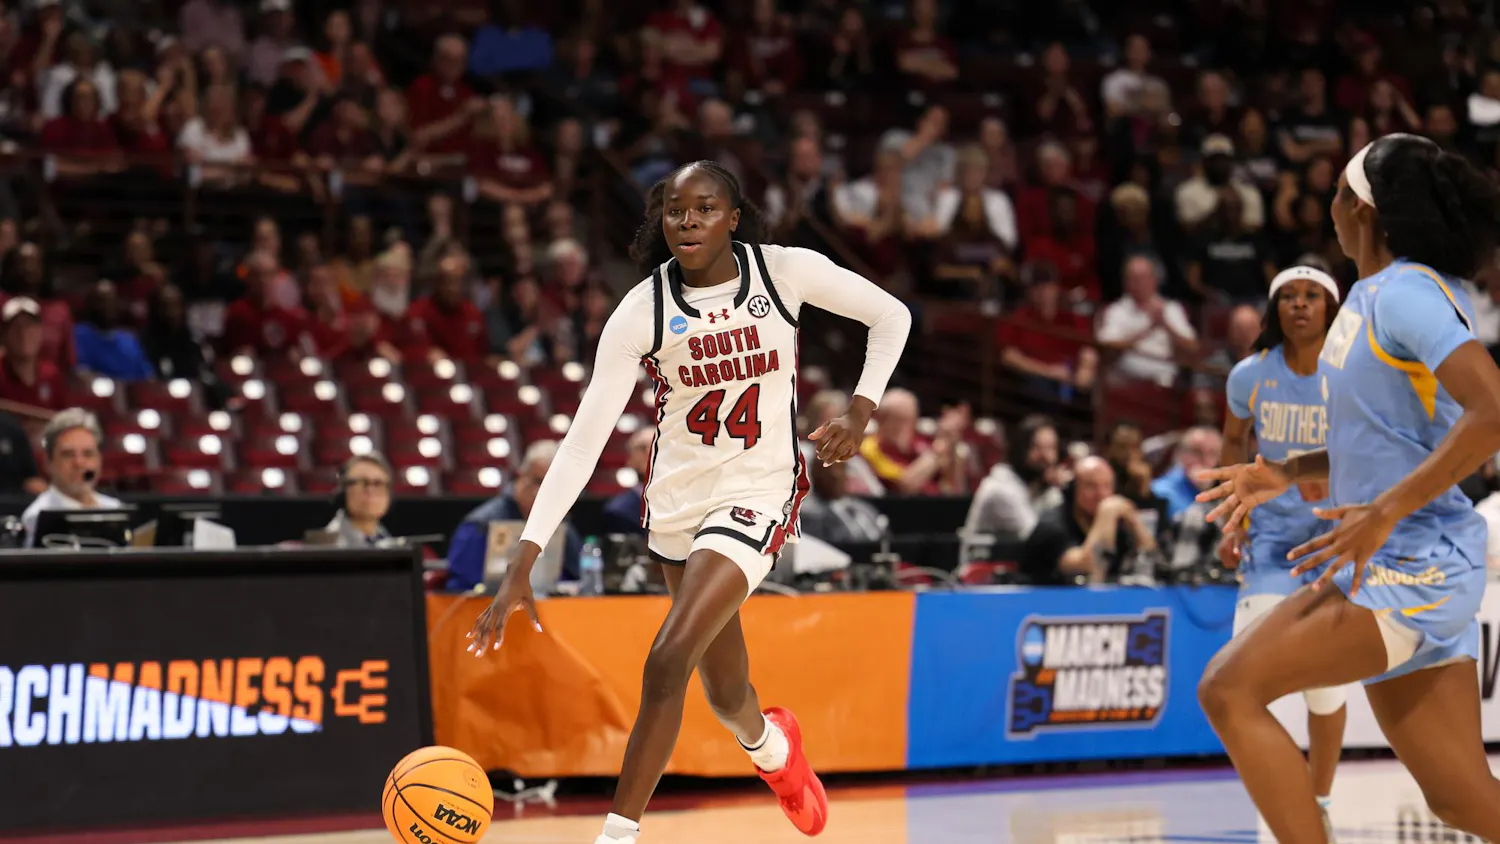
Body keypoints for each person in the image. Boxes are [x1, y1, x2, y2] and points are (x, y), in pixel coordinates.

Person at [467, 160, 912, 844]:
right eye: (676, 210)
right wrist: (525, 556)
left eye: (705, 209)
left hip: (758, 491)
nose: (689, 221)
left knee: (667, 658)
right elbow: (581, 444)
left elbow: (891, 315)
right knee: (726, 694)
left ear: (732, 218)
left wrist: (860, 410)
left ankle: (617, 836)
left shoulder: (783, 272)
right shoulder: (641, 309)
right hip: (676, 504)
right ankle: (774, 751)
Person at [1197, 134, 1500, 844]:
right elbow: (1380, 441)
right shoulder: (1371, 298)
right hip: (1404, 557)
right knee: (1462, 800)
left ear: (1363, 209)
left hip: (1413, 563)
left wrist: (1385, 512)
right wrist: (1286, 471)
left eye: (1337, 191)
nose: (1328, 206)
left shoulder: (1406, 294)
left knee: (1229, 690)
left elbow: (1493, 411)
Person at [1214, 264, 1345, 833]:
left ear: (1330, 308)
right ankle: (1281, 788)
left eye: (1311, 295)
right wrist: (1231, 522)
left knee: (1326, 688)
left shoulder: (1351, 373)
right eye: (1288, 296)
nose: (1299, 305)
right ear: (1274, 310)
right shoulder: (1251, 374)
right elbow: (1231, 442)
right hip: (1270, 541)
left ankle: (1319, 801)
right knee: (1240, 676)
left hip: (1336, 537)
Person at [22, 408, 124, 547]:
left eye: (88, 454)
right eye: (68, 454)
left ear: (99, 460)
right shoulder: (36, 517)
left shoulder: (115, 509)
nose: (79, 463)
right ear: (48, 462)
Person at [321, 453, 395, 547]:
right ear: (343, 491)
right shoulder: (326, 545)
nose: (370, 490)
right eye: (362, 482)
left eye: (378, 483)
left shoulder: (389, 542)